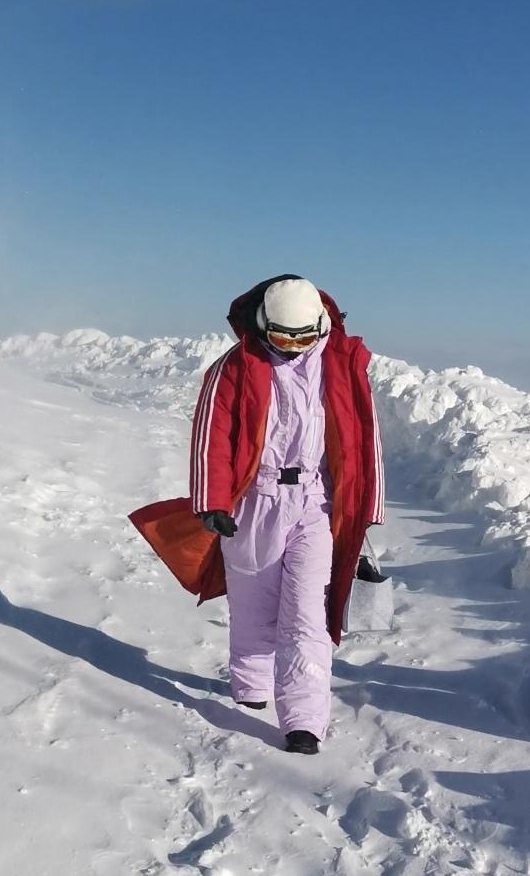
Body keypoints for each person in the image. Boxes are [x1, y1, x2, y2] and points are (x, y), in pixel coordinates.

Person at [130, 274, 384, 754]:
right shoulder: (234, 367)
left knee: (306, 612)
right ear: (265, 326)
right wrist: (212, 501)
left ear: (321, 326)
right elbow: (212, 436)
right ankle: (251, 684)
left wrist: (367, 507)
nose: (293, 348)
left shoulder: (343, 364)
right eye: (282, 339)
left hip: (315, 500)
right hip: (255, 499)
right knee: (253, 600)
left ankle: (304, 719)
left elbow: (365, 435)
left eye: (304, 338)